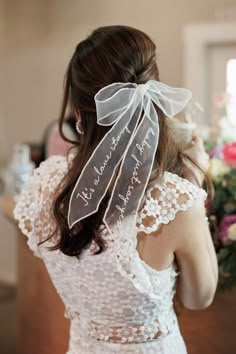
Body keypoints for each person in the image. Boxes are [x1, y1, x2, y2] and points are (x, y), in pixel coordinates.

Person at [14, 25, 218, 354]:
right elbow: (199, 297)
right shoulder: (175, 203)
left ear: (79, 114)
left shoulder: (44, 184)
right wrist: (194, 189)